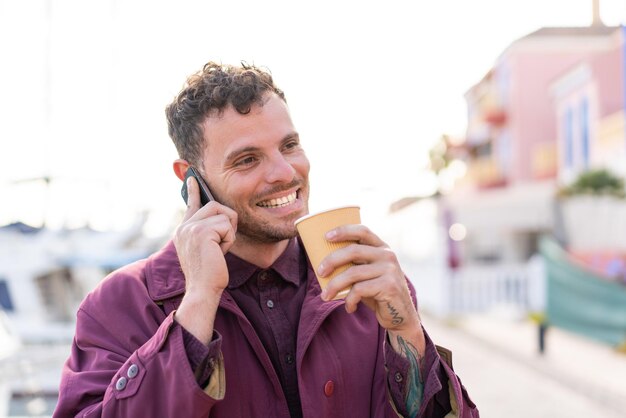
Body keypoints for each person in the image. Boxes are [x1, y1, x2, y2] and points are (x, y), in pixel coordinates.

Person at [54, 61, 478, 418]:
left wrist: (408, 331)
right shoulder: (118, 304)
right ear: (190, 179)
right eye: (247, 159)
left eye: (289, 145)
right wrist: (199, 300)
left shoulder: (365, 284)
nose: (283, 173)